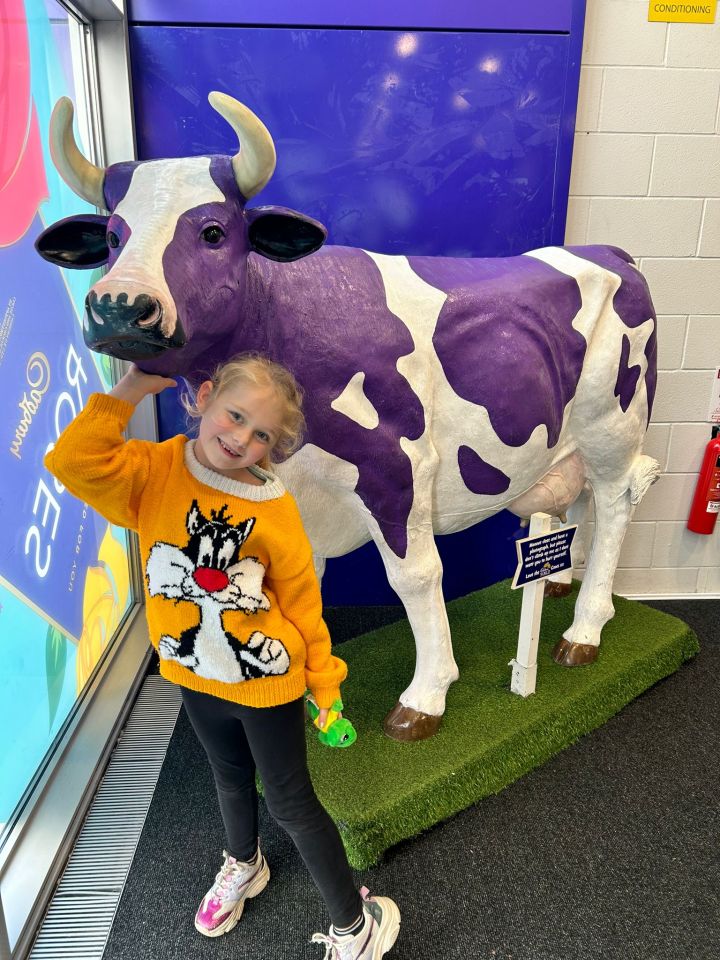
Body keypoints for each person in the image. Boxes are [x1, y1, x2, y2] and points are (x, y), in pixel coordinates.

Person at [44, 353, 400, 959]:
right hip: (192, 671)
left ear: (275, 445)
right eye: (234, 415)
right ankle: (244, 864)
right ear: (203, 397)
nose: (241, 438)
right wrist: (128, 390)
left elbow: (304, 607)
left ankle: (354, 923)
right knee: (228, 777)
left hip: (265, 683)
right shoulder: (154, 470)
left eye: (262, 433)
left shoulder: (273, 506)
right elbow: (71, 461)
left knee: (290, 802)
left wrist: (325, 687)